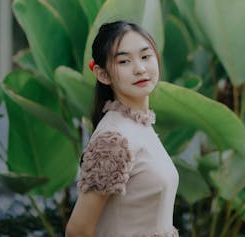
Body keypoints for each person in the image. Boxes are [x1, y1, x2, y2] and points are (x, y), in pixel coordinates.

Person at [65, 21, 179, 237]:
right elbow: (77, 230)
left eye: (145, 56)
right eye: (124, 61)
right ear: (103, 75)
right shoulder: (114, 138)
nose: (140, 68)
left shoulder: (139, 125)